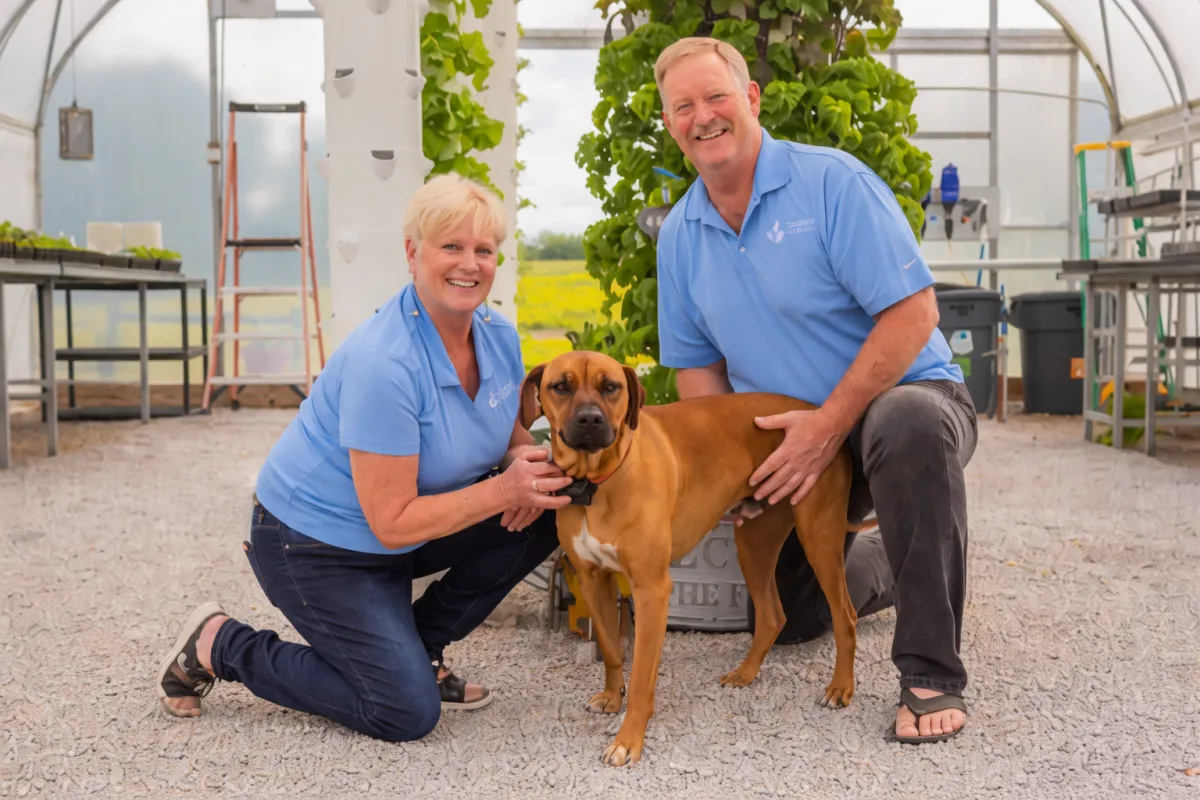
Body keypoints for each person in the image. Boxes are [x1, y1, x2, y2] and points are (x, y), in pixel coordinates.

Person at [154, 173, 575, 742]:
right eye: (450, 246)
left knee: (553, 507)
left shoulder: (497, 335)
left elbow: (502, 429)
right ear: (412, 252)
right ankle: (220, 643)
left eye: (483, 250)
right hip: (315, 544)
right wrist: (504, 491)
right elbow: (391, 522)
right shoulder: (386, 362)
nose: (468, 263)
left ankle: (416, 649)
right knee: (404, 712)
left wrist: (536, 468)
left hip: (404, 526)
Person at [652, 37, 978, 745]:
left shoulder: (830, 183)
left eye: (716, 97)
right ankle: (902, 556)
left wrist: (829, 424)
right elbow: (700, 373)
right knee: (796, 617)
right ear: (670, 122)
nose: (702, 116)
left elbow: (915, 314)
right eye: (683, 106)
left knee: (906, 422)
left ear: (752, 100)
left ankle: (930, 673)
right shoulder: (680, 234)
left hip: (902, 404)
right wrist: (721, 471)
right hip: (790, 440)